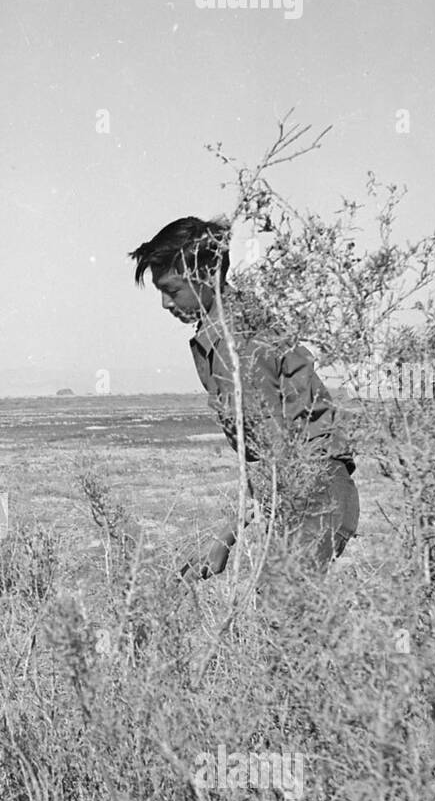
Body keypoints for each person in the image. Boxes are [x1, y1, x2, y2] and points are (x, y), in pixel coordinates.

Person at [129, 216, 358, 578]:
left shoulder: (236, 346)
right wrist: (224, 538)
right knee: (286, 615)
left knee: (280, 611)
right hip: (308, 491)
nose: (163, 303)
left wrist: (227, 536)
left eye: (172, 290)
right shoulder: (225, 329)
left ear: (206, 275)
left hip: (316, 492)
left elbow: (277, 453)